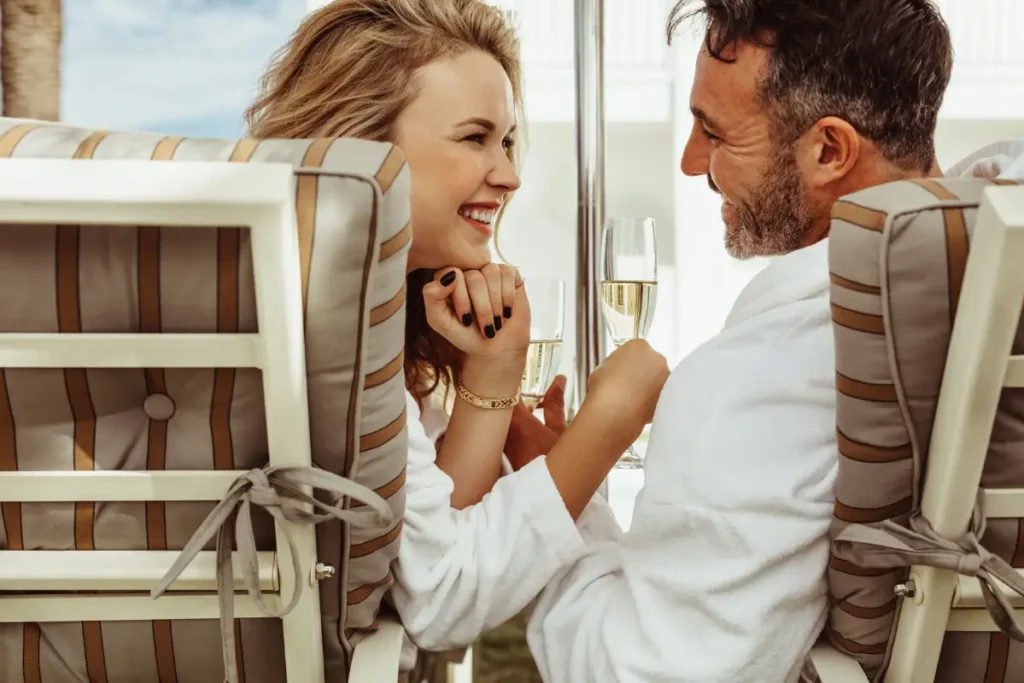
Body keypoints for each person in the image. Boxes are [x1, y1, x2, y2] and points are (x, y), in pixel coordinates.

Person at [514, 1, 956, 681]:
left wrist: (553, 508)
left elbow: (638, 672)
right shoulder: (975, 276)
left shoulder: (758, 381)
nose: (693, 164)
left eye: (715, 133)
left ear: (829, 149)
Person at [244, 0, 669, 674]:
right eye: (475, 138)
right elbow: (442, 601)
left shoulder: (342, 305)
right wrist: (610, 420)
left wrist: (494, 373)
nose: (509, 173)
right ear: (366, 147)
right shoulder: (333, 330)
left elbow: (432, 558)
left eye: (505, 140)